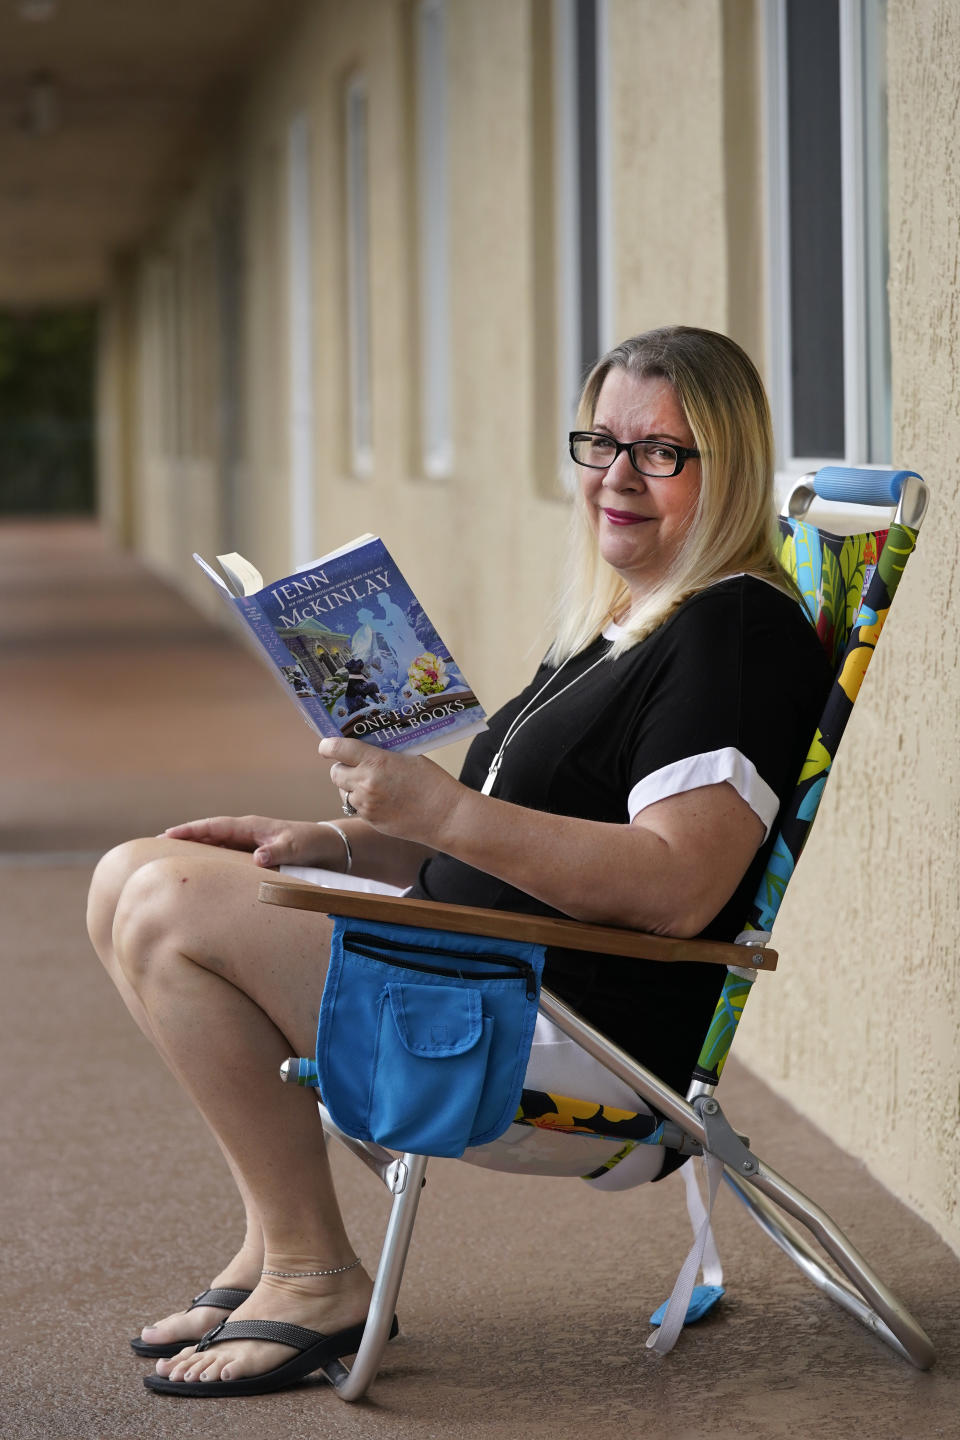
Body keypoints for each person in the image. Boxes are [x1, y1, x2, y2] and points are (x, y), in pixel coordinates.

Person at [86, 325, 833, 1397]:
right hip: (473, 965)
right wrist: (340, 841)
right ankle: (273, 1239)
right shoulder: (623, 618)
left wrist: (438, 815)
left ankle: (315, 1274)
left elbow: (676, 889)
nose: (617, 477)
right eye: (601, 444)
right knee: (130, 874)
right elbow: (493, 822)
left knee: (165, 908)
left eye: (662, 453)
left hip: (565, 1025)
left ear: (732, 469)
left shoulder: (735, 636)